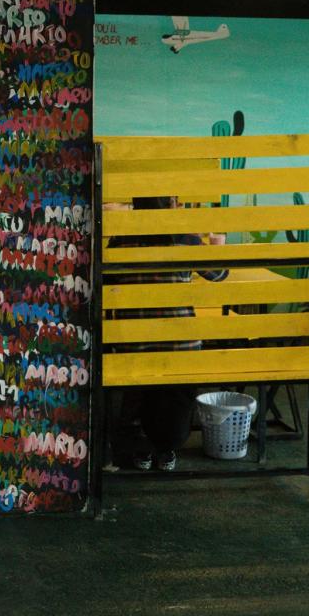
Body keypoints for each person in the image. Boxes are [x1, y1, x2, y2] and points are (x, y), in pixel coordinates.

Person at [106, 196, 227, 472]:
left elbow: (108, 283)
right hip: (180, 347)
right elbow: (219, 274)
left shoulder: (122, 239)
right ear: (170, 205)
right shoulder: (185, 238)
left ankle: (143, 446)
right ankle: (167, 447)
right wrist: (217, 244)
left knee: (141, 389)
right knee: (174, 389)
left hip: (134, 345)